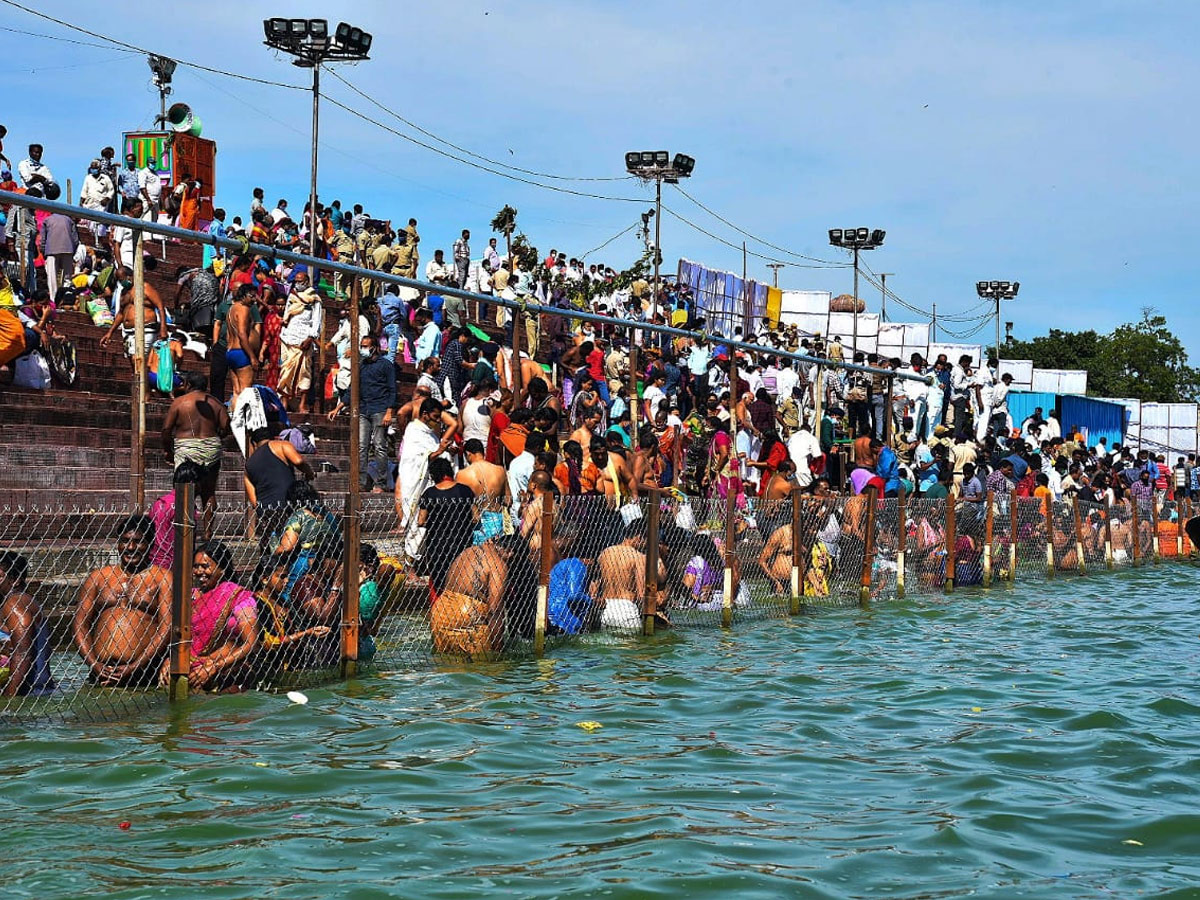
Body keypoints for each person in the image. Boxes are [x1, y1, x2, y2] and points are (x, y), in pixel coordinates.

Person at [73, 514, 172, 686]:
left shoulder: (162, 578)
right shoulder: (98, 578)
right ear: (118, 543)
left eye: (138, 541)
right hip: (100, 673)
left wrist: (134, 666)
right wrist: (94, 664)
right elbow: (80, 625)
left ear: (150, 545)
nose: (131, 547)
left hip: (142, 674)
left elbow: (166, 628)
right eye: (125, 541)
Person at [159, 542, 258, 691]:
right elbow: (177, 637)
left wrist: (214, 667)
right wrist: (170, 659)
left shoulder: (238, 597)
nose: (199, 571)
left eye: (205, 566)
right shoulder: (188, 596)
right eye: (196, 566)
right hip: (187, 668)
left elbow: (251, 644)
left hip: (226, 670)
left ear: (222, 569)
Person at [162, 372, 231, 540]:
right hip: (211, 448)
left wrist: (168, 451)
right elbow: (226, 427)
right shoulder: (216, 404)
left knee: (185, 490)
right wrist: (216, 435)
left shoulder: (179, 403)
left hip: (187, 449)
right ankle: (207, 532)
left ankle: (185, 532)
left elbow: (166, 430)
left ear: (188, 385)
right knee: (208, 492)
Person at [245, 427, 316, 547]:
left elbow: (253, 500)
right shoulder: (281, 445)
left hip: (267, 511)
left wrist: (263, 512)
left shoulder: (248, 465)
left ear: (254, 443)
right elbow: (298, 461)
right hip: (287, 506)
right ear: (272, 438)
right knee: (291, 544)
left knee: (270, 546)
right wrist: (309, 472)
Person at [417, 458, 478, 593]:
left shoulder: (429, 493)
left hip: (437, 545)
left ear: (434, 474)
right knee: (462, 578)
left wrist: (436, 521)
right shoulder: (465, 491)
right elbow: (476, 517)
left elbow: (421, 521)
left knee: (440, 582)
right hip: (462, 543)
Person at [0, 551, 55, 697]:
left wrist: (9, 697)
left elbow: (23, 653)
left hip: (28, 693)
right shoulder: (24, 601)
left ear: (15, 580)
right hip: (38, 690)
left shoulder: (14, 604)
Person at [592, 519, 664, 629]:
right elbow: (641, 594)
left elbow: (595, 584)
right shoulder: (638, 557)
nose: (645, 545)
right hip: (627, 610)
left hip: (606, 610)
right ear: (639, 537)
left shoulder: (604, 553)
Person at [356, 335, 397, 493]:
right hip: (364, 409)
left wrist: (389, 412)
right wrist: (339, 406)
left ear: (374, 347)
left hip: (380, 409)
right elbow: (355, 387)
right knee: (361, 446)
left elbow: (392, 389)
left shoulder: (386, 365)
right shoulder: (362, 366)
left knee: (380, 446)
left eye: (366, 346)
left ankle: (381, 482)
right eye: (362, 346)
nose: (364, 349)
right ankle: (361, 481)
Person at [456, 438, 509, 543]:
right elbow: (508, 500)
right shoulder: (500, 470)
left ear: (468, 454)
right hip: (496, 520)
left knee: (475, 556)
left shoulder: (462, 474)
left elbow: (460, 504)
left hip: (476, 522)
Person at [38, 206, 79, 304]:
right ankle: (66, 300)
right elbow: (76, 240)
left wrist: (44, 251)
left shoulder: (47, 220)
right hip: (68, 250)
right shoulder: (69, 220)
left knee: (52, 277)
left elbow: (43, 239)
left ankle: (53, 300)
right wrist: (72, 251)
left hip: (51, 250)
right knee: (67, 278)